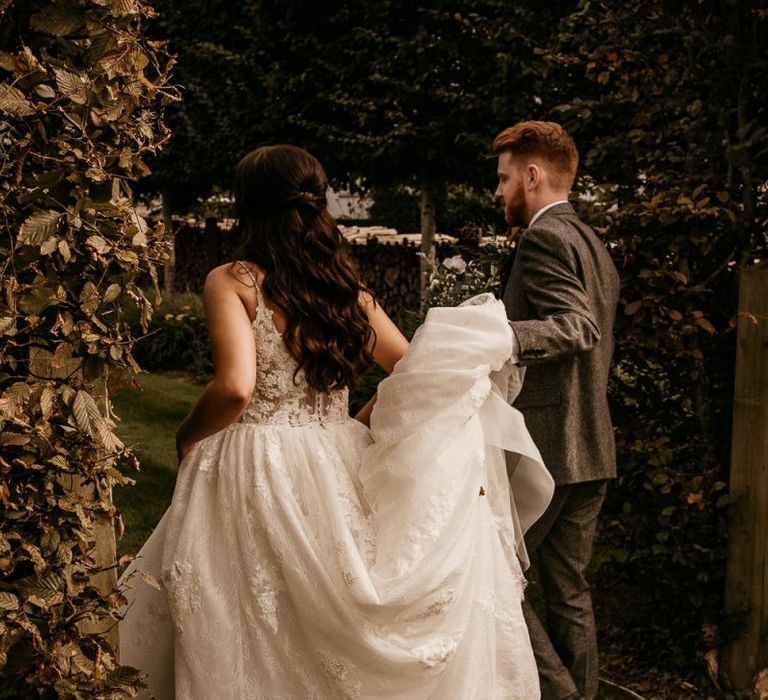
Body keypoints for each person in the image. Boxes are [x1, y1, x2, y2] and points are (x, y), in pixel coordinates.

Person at [118, 144, 554, 699]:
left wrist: (187, 435)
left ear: (249, 204)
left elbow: (234, 388)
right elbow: (409, 368)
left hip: (253, 461)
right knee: (326, 616)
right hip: (335, 453)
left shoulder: (233, 281)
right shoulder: (345, 289)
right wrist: (360, 421)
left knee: (249, 613)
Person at [493, 121, 620, 700]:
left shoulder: (543, 240)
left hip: (547, 449)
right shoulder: (594, 243)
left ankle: (561, 694)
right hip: (593, 445)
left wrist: (495, 335)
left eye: (504, 178)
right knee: (569, 592)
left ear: (533, 175)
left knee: (495, 574)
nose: (499, 192)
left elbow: (579, 327)